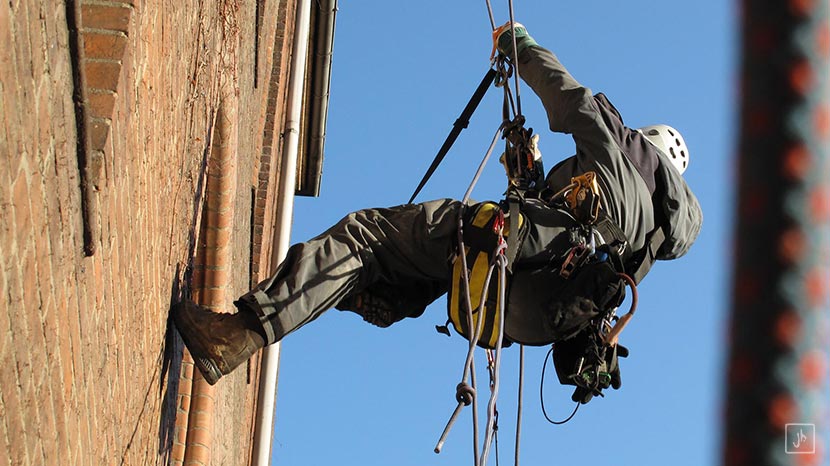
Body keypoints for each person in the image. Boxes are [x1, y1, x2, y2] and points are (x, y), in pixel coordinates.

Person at [172, 23, 702, 393]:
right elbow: (569, 243)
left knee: (368, 235)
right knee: (433, 255)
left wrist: (517, 45)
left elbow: (572, 100)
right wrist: (531, 177)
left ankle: (238, 334)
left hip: (512, 261)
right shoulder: (648, 244)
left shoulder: (627, 148)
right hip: (529, 320)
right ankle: (389, 295)